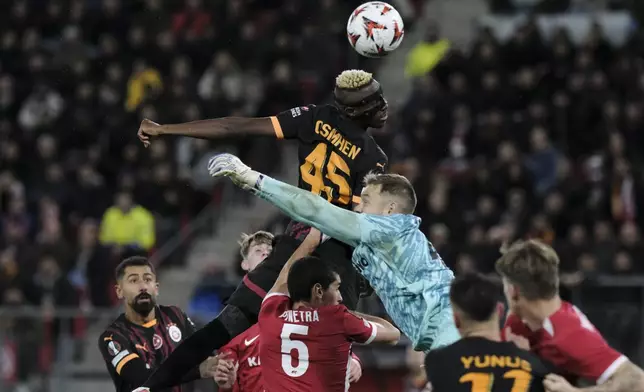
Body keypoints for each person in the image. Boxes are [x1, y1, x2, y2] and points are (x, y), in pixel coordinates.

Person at [139, 70, 388, 390]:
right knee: (332, 359)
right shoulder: (373, 157)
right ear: (355, 111)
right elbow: (356, 223)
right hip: (336, 255)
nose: (383, 107)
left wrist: (166, 130)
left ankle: (149, 386)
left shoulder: (312, 117)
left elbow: (236, 125)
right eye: (374, 102)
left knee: (223, 326)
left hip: (295, 240)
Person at [207, 153, 459, 354]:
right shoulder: (393, 241)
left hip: (452, 334)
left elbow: (316, 209)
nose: (359, 206)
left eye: (367, 200)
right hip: (446, 336)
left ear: (390, 209)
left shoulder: (390, 229)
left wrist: (252, 179)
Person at [214, 230, 364, 392]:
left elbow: (328, 341)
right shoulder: (233, 324)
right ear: (245, 264)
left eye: (270, 253)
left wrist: (353, 360)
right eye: (258, 251)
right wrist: (226, 384)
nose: (265, 254)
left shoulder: (300, 309)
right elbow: (226, 380)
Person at [258, 227, 400, 391]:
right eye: (336, 288)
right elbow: (393, 335)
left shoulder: (271, 311)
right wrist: (346, 313)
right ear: (318, 291)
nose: (340, 297)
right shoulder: (338, 319)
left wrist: (312, 240)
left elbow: (284, 279)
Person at [497, 240, 644, 392]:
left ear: (513, 291)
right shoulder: (521, 321)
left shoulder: (570, 333)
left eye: (505, 286)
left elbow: (637, 381)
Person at [98, 256, 219, 392]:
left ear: (156, 288)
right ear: (119, 291)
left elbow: (206, 354)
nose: (143, 287)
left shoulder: (175, 316)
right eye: (133, 280)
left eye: (147, 279)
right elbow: (143, 380)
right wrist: (197, 371)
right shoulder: (113, 337)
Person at [425, 273, 549, 392]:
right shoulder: (535, 365)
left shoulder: (438, 361)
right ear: (500, 311)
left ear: (456, 320)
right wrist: (524, 354)